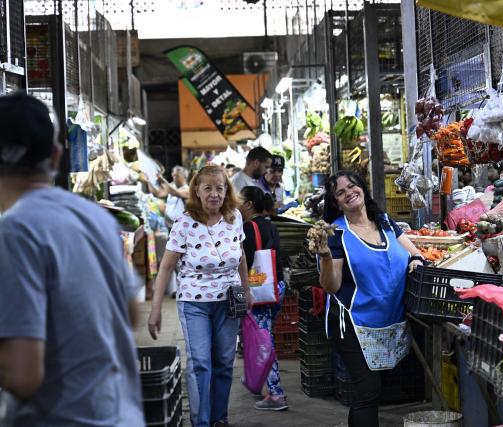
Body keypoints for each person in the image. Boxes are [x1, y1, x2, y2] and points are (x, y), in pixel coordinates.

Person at [0, 92, 144, 426]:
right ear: (55, 157)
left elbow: (23, 376)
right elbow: (131, 312)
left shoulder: (13, 232)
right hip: (120, 416)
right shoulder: (94, 217)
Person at [310, 171, 424, 427]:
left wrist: (416, 261)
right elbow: (331, 286)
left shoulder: (384, 221)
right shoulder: (335, 234)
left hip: (387, 317)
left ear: (362, 188)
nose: (349, 193)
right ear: (335, 202)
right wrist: (326, 256)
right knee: (368, 389)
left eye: (352, 186)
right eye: (340, 192)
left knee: (372, 390)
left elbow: (414, 253)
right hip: (351, 321)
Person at [148, 165, 252, 427]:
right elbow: (166, 267)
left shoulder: (234, 217)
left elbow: (241, 255)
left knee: (224, 362)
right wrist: (156, 308)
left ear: (227, 191)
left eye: (220, 188)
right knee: (201, 363)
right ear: (197, 190)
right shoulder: (184, 222)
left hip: (229, 300)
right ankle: (201, 421)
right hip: (195, 302)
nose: (215, 194)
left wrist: (247, 289)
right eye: (208, 188)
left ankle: (220, 418)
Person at [238, 186, 288, 411]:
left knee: (263, 342)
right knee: (263, 337)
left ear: (248, 204)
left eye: (239, 199)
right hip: (276, 287)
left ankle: (276, 394)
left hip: (260, 292)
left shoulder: (248, 228)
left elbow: (244, 264)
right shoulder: (270, 224)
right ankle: (255, 380)